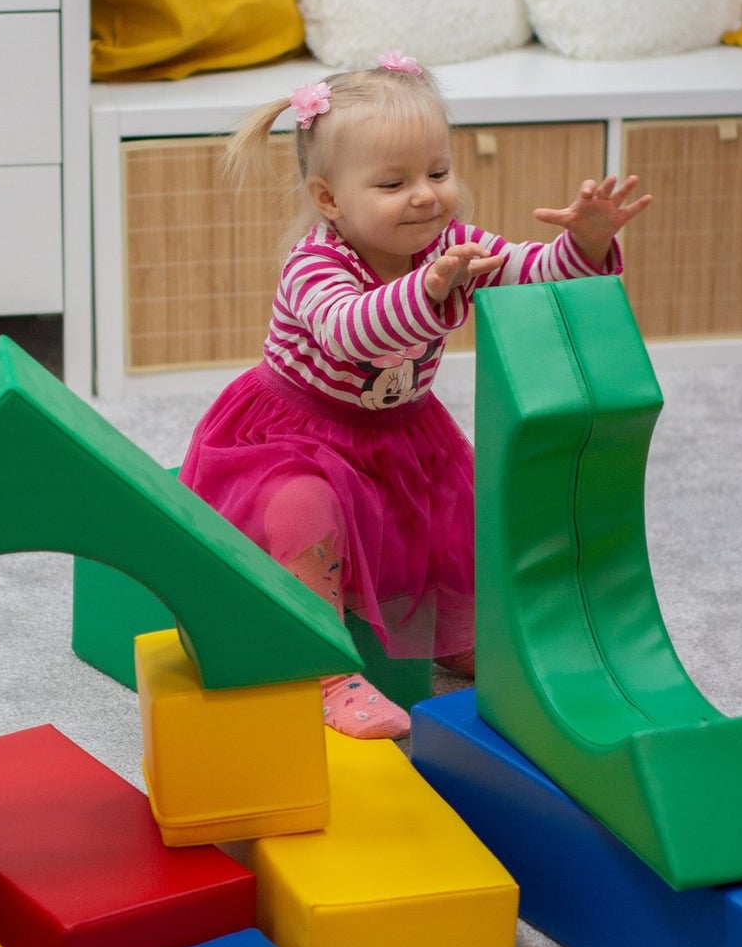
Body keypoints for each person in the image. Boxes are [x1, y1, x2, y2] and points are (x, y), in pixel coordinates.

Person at [179, 51, 651, 739]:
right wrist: (429, 291)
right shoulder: (315, 265)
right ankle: (323, 667)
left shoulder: (449, 244)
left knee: (450, 513)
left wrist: (584, 244)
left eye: (437, 172)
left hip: (400, 430)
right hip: (297, 434)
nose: (426, 195)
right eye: (394, 182)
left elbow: (530, 274)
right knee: (303, 510)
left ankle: (454, 636)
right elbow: (352, 332)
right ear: (330, 200)